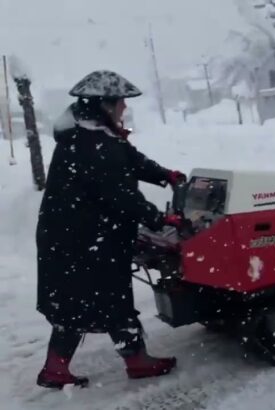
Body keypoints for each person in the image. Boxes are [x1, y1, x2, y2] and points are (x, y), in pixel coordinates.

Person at [35, 70, 187, 389]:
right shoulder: (94, 142)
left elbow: (130, 160)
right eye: (120, 103)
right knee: (112, 298)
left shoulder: (91, 134)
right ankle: (137, 361)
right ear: (104, 104)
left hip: (71, 236)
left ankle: (55, 368)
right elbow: (120, 193)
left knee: (73, 302)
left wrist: (165, 175)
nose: (123, 108)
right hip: (87, 237)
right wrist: (160, 220)